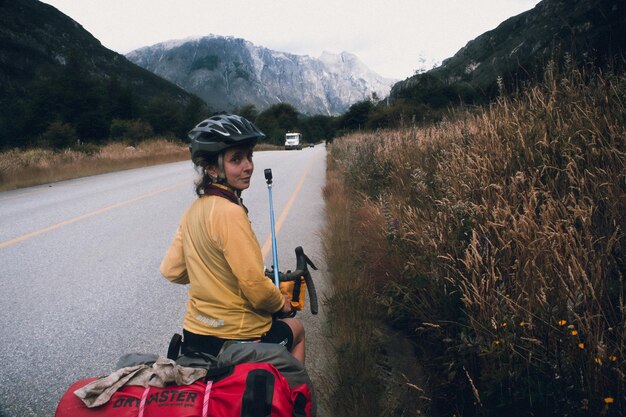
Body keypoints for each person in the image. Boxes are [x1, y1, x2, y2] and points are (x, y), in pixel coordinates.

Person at [160, 113, 306, 363]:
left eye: (249, 156)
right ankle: (297, 400)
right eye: (236, 159)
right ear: (213, 168)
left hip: (195, 335)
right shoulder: (230, 212)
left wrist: (212, 275)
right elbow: (257, 290)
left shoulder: (193, 210)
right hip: (238, 336)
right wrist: (282, 304)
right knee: (297, 329)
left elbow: (172, 271)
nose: (248, 166)